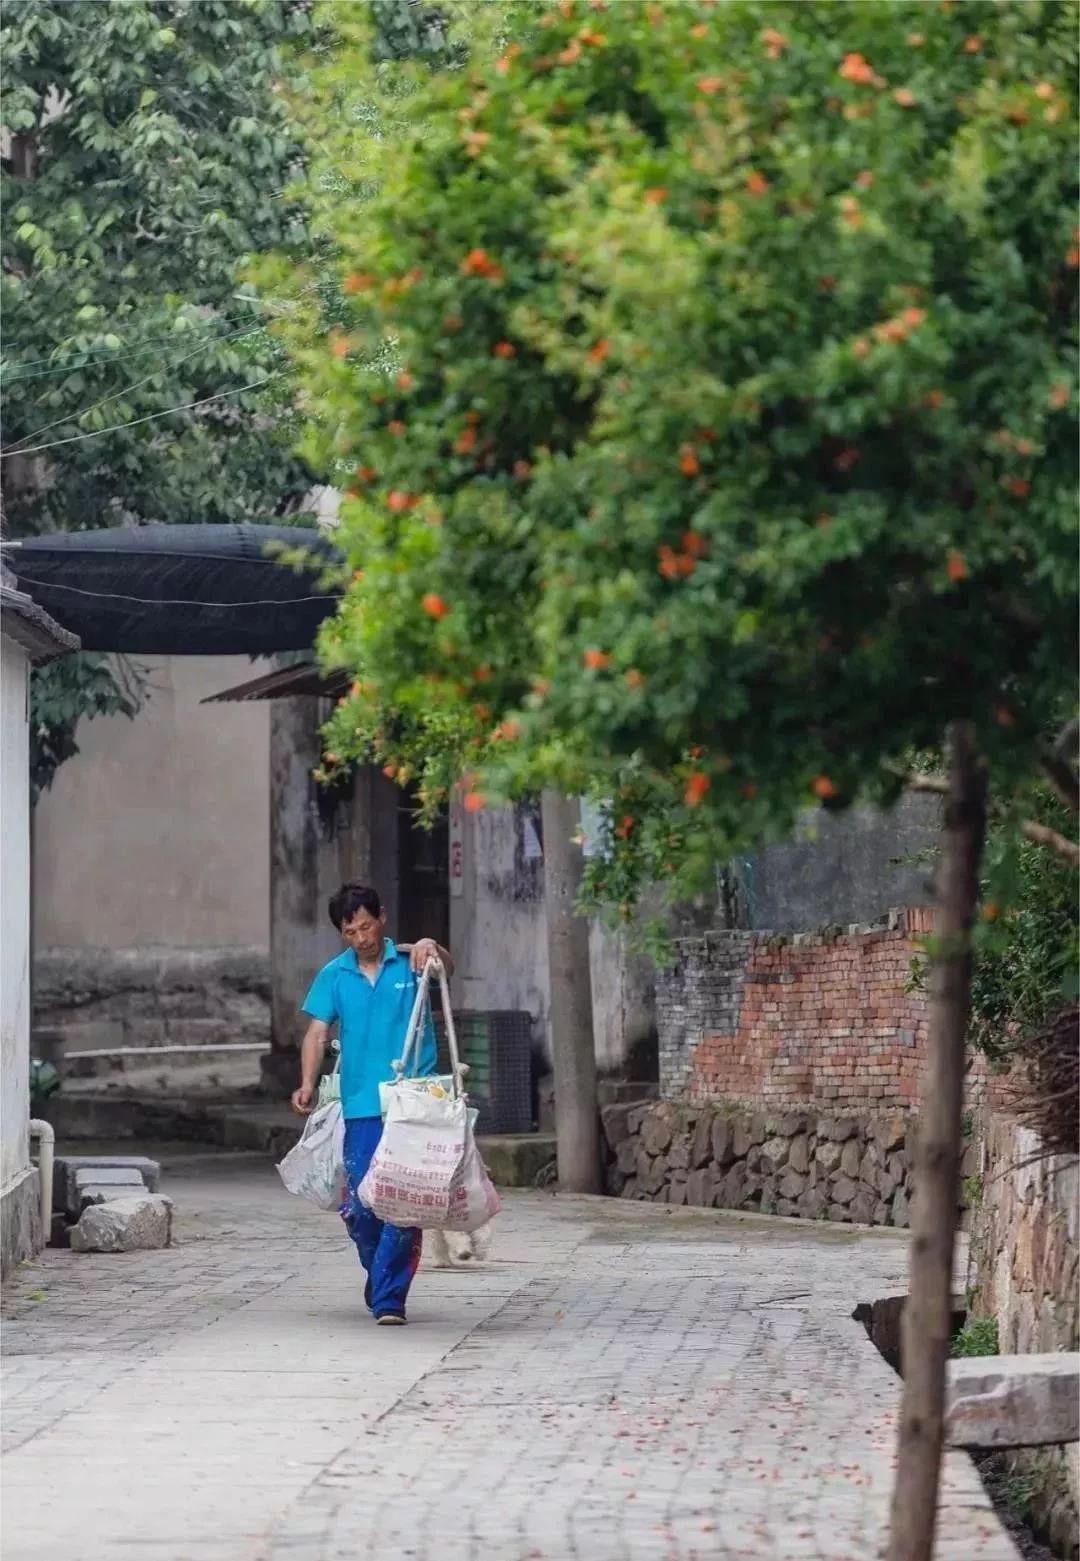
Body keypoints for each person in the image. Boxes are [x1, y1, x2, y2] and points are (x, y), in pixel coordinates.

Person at [291, 882, 452, 1326]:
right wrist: (306, 1083)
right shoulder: (335, 975)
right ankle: (380, 1274)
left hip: (414, 1102)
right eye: (350, 932)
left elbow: (447, 968)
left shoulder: (412, 961)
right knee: (362, 1207)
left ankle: (389, 1299)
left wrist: (431, 945)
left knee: (403, 1201)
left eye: (366, 927)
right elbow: (317, 1034)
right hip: (361, 1104)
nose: (361, 938)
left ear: (381, 917)